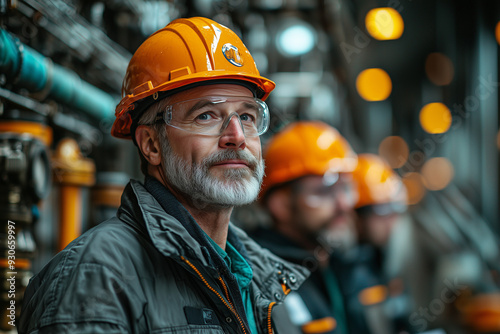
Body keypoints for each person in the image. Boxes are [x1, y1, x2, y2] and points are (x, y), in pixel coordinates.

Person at [19, 17, 308, 334]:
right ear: (151, 145)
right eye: (206, 115)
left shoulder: (262, 280)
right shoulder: (95, 277)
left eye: (248, 116)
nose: (237, 136)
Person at [251, 121, 361, 334]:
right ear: (281, 205)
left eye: (346, 188)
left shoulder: (339, 263)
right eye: (324, 191)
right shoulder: (261, 281)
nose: (344, 204)